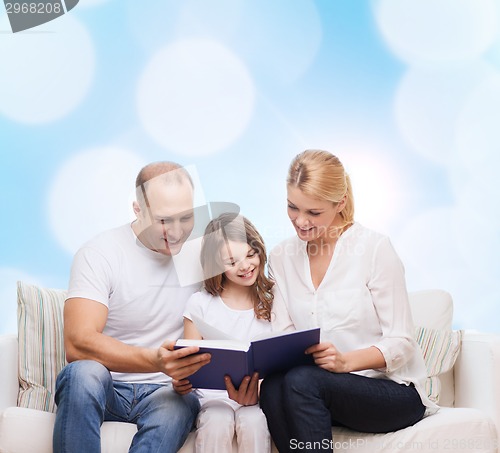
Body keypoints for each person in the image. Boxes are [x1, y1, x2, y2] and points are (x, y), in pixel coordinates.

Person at [259, 150, 438, 452]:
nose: (300, 221)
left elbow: (402, 341)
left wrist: (344, 362)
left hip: (391, 391)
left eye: (313, 213)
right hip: (316, 388)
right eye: (292, 207)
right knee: (274, 385)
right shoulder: (281, 257)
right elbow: (284, 334)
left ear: (340, 203)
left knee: (303, 380)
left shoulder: (373, 248)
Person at [53, 162, 211, 453]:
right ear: (137, 209)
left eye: (185, 218)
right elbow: (78, 344)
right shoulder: (101, 252)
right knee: (83, 373)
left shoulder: (203, 255)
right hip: (107, 386)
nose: (176, 232)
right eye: (164, 220)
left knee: (179, 404)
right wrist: (155, 360)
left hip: (167, 391)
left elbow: (246, 306)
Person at [174, 213, 273, 453]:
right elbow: (185, 362)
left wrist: (259, 391)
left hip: (257, 398)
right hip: (212, 399)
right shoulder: (200, 304)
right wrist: (180, 382)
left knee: (255, 421)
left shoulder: (273, 301)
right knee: (217, 420)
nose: (245, 266)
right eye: (231, 262)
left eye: (251, 254)